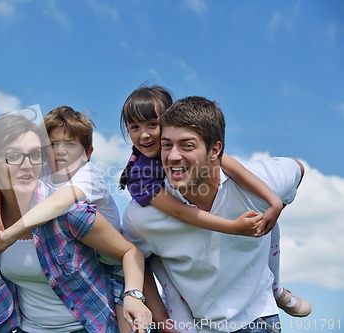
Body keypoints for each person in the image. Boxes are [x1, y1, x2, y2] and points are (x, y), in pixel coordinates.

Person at [118, 86, 311, 329]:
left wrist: (274, 201)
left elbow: (296, 168)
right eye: (135, 127)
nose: (145, 135)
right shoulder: (142, 194)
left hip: (258, 318)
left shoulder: (257, 177)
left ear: (214, 150)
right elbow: (176, 216)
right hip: (203, 322)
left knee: (272, 224)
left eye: (186, 145)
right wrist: (160, 319)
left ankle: (276, 290)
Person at [0, 112, 151, 333]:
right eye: (13, 156)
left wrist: (133, 294)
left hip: (89, 320)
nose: (27, 165)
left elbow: (128, 251)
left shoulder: (72, 210)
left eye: (34, 155)